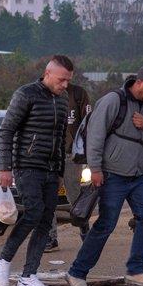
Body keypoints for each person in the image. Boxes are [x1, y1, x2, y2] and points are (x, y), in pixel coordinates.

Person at [66, 64, 143, 286]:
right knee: (106, 224)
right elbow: (95, 134)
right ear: (140, 82)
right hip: (111, 174)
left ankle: (136, 270)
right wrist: (95, 169)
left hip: (138, 176)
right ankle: (77, 273)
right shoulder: (114, 100)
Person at [0, 56, 74, 286]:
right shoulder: (25, 94)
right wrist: (4, 168)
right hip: (26, 166)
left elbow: (60, 138)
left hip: (50, 170)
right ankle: (2, 260)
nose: (65, 85)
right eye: (61, 80)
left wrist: (59, 171)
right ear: (47, 74)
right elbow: (5, 131)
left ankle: (28, 277)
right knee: (34, 212)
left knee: (47, 221)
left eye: (68, 80)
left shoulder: (62, 99)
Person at [48, 80, 93, 250]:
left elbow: (88, 122)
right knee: (48, 197)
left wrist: (86, 152)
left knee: (74, 196)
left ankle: (85, 232)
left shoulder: (78, 93)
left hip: (70, 155)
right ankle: (51, 238)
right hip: (49, 155)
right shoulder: (44, 94)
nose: (62, 81)